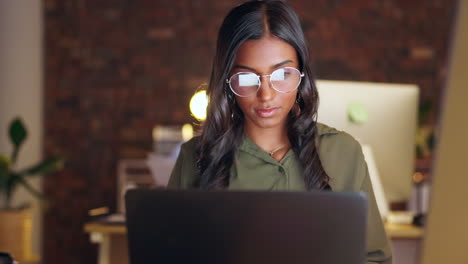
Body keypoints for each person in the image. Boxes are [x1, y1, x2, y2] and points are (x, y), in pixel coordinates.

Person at [168, 0, 392, 263]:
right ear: (227, 82)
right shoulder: (196, 157)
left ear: (302, 74)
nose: (266, 95)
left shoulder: (343, 152)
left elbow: (374, 258)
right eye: (248, 78)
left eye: (282, 74)